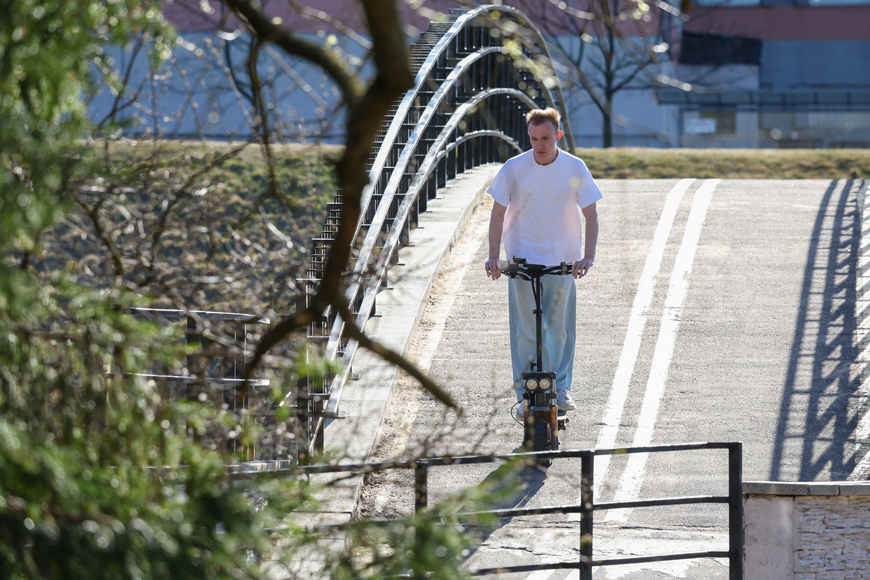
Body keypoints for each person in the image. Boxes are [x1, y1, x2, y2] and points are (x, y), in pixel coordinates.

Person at [484, 107, 601, 421]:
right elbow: (497, 213)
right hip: (522, 262)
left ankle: (560, 387)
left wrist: (588, 256)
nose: (540, 145)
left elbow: (591, 214)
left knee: (559, 330)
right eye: (534, 139)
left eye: (546, 138)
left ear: (558, 135)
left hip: (562, 262)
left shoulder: (574, 167)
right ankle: (525, 396)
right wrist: (494, 256)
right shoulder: (513, 168)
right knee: (524, 333)